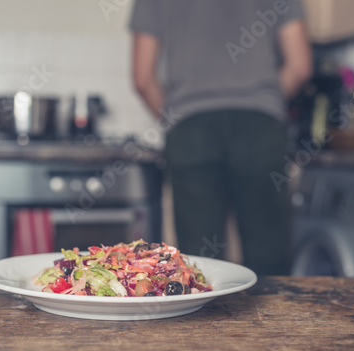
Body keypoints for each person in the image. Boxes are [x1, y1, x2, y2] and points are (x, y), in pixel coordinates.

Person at [130, 0, 312, 276]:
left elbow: (142, 78)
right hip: (260, 130)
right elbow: (300, 67)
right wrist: (265, 105)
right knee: (269, 266)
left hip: (191, 131)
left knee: (199, 267)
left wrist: (177, 120)